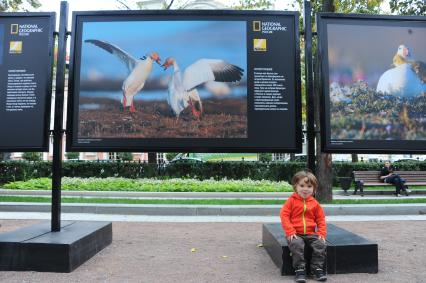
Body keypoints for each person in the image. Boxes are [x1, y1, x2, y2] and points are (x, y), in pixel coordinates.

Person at [280, 171, 327, 283]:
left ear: (314, 189)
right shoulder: (291, 201)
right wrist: (290, 231)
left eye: (309, 186)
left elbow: (320, 219)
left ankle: (316, 269)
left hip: (311, 233)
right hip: (295, 233)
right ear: (295, 186)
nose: (305, 189)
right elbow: (284, 215)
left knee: (320, 244)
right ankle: (300, 269)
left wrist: (321, 233)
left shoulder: (315, 203)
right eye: (302, 186)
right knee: (297, 244)